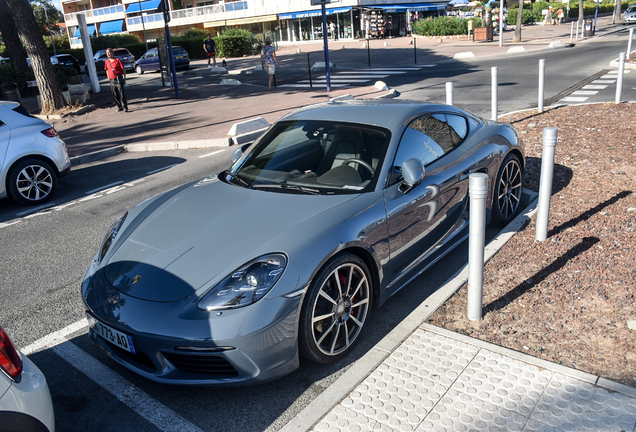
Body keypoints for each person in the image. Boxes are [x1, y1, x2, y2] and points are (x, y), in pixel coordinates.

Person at [104, 48, 128, 112]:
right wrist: (108, 77)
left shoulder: (117, 60)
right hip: (112, 80)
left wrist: (124, 77)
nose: (108, 54)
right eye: (107, 53)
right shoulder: (107, 61)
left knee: (122, 93)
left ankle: (125, 107)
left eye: (109, 52)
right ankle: (119, 106)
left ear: (112, 53)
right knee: (115, 94)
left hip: (118, 78)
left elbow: (123, 69)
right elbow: (106, 70)